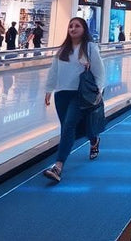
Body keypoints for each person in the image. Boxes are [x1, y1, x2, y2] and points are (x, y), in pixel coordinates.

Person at [43, 17, 105, 183]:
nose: (73, 28)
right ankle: (94, 139)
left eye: (77, 26)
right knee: (68, 127)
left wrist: (99, 89)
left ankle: (58, 166)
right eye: (70, 26)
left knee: (69, 125)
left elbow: (99, 70)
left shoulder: (90, 47)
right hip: (62, 94)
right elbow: (53, 70)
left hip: (80, 94)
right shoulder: (63, 49)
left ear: (84, 29)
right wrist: (49, 89)